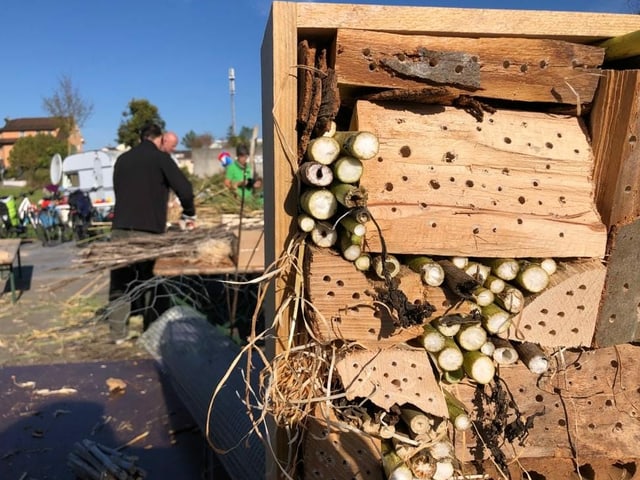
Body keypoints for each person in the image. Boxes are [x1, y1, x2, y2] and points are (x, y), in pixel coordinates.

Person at [108, 123, 196, 343]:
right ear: (158, 139)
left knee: (120, 282)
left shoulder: (122, 160)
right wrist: (189, 213)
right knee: (151, 281)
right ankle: (151, 330)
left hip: (119, 229)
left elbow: (120, 191)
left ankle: (118, 334)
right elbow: (185, 189)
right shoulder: (160, 158)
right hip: (148, 231)